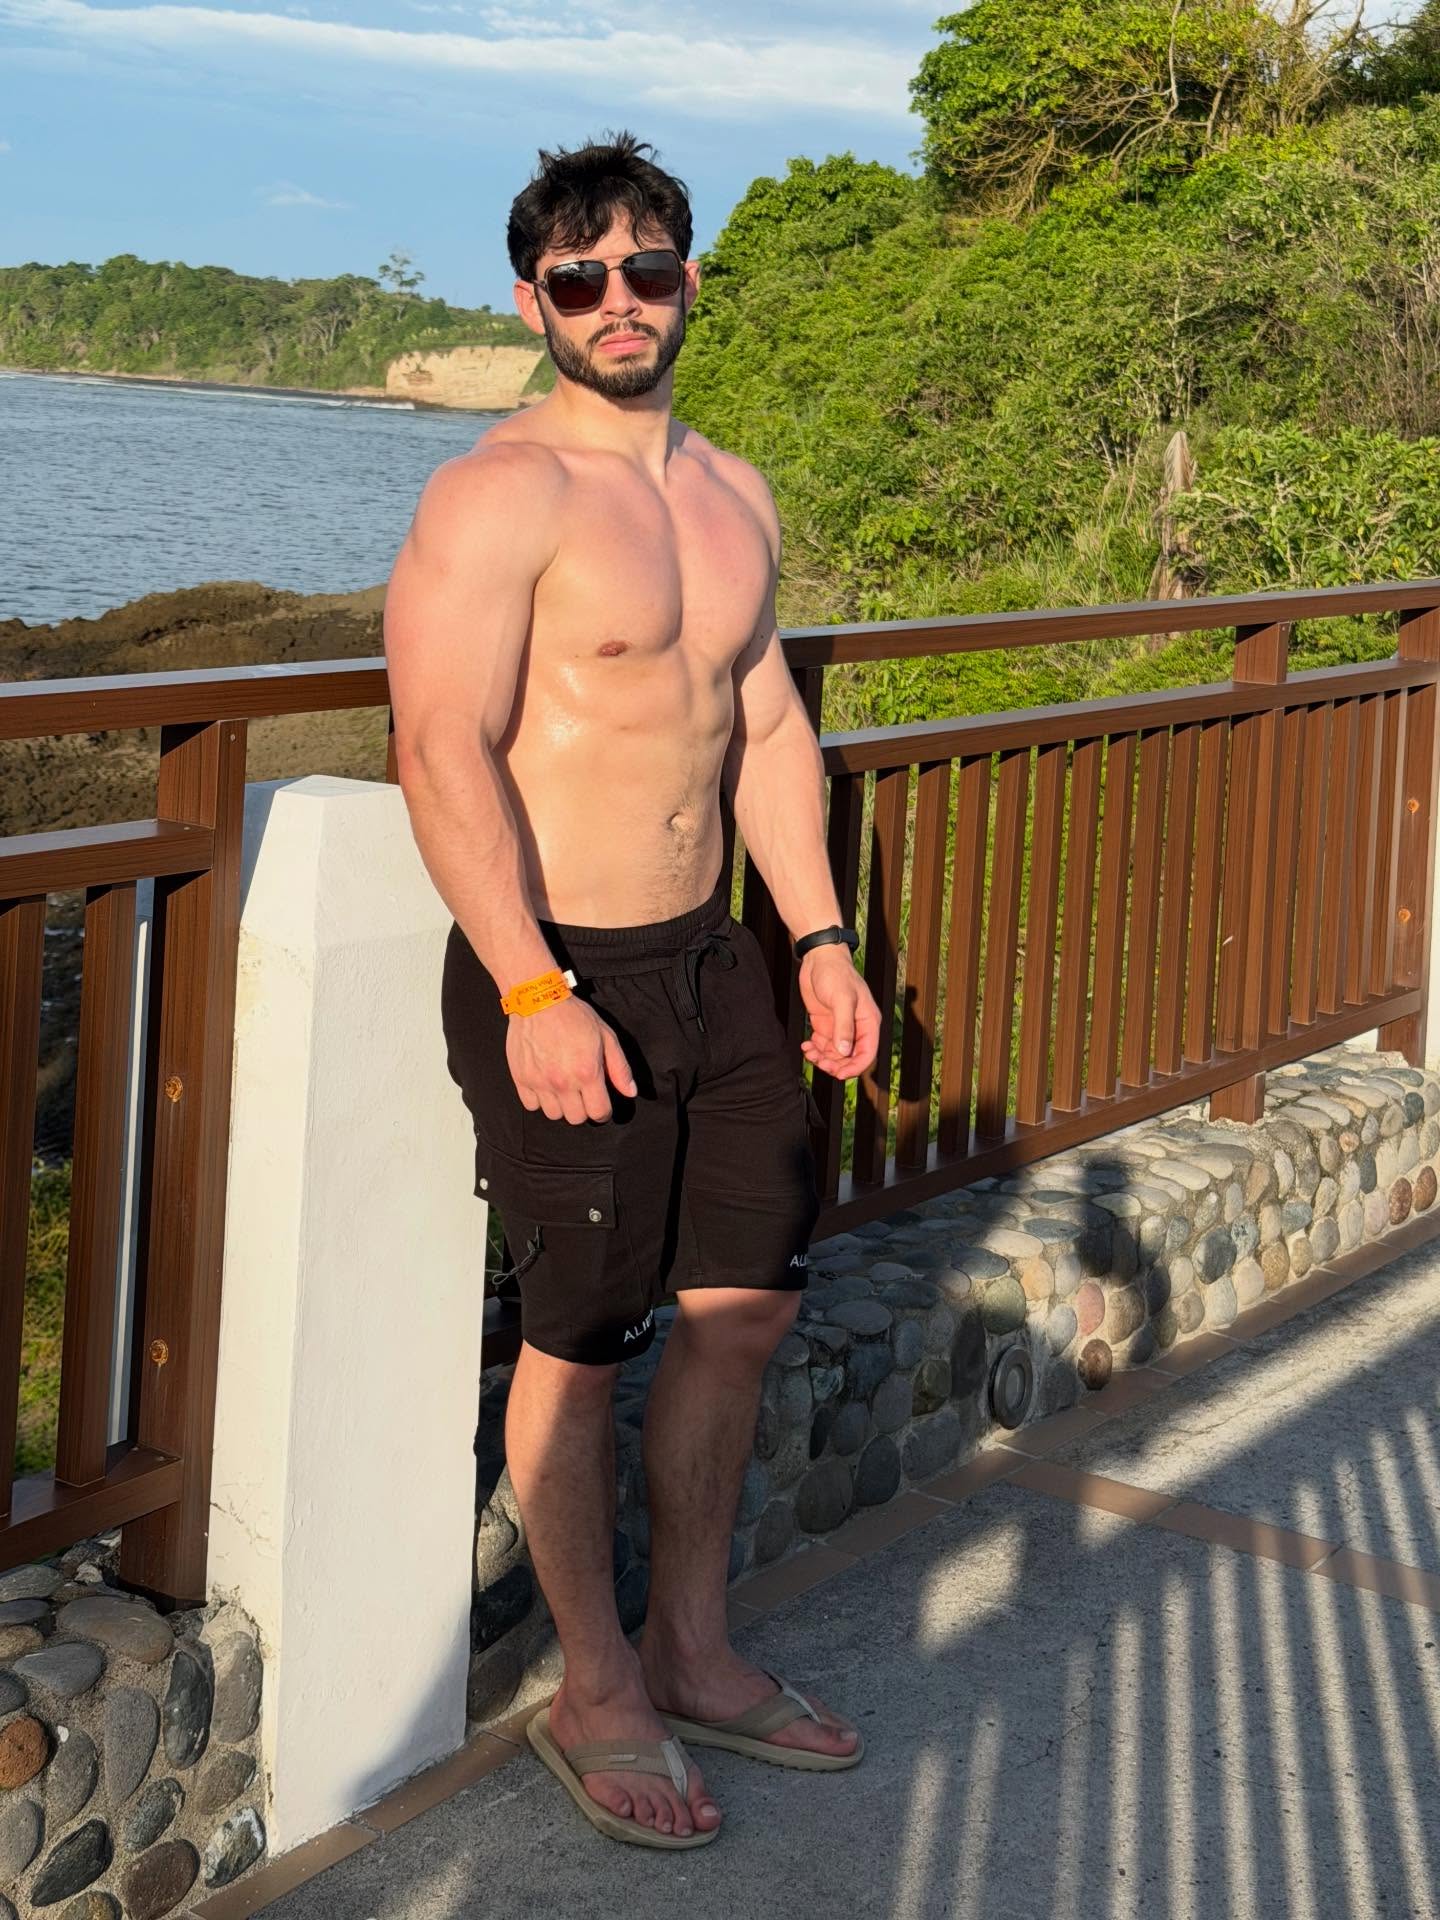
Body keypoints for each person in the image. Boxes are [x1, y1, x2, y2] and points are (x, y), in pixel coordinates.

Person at [383, 130, 882, 1852]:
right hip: (559, 970)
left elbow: (763, 728)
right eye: (580, 277)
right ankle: (593, 1688)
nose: (618, 299)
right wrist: (533, 992)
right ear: (533, 301)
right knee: (581, 1340)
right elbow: (437, 744)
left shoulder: (735, 494)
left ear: (687, 282)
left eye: (645, 268)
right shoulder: (499, 496)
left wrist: (816, 938)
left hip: (715, 962)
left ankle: (693, 1649)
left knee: (744, 1307)